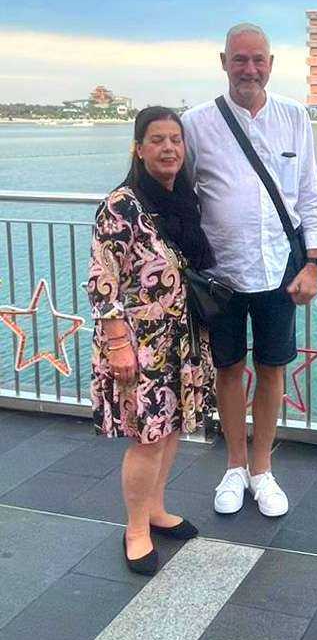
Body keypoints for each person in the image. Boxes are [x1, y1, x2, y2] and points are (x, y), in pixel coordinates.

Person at [182, 22, 317, 519]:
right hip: (219, 273)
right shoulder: (196, 123)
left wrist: (314, 263)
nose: (249, 69)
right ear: (224, 63)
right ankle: (234, 466)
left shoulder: (294, 116)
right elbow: (181, 194)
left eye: (257, 59)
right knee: (227, 369)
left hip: (281, 268)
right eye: (240, 59)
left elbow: (310, 194)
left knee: (272, 369)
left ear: (271, 64)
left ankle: (263, 469)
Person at [88, 106, 216, 576]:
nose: (168, 148)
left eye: (175, 140)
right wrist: (117, 344)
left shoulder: (183, 200)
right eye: (157, 140)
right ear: (139, 149)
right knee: (147, 438)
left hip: (181, 339)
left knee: (171, 427)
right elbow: (102, 281)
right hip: (140, 343)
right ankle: (136, 528)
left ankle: (157, 508)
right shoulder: (121, 206)